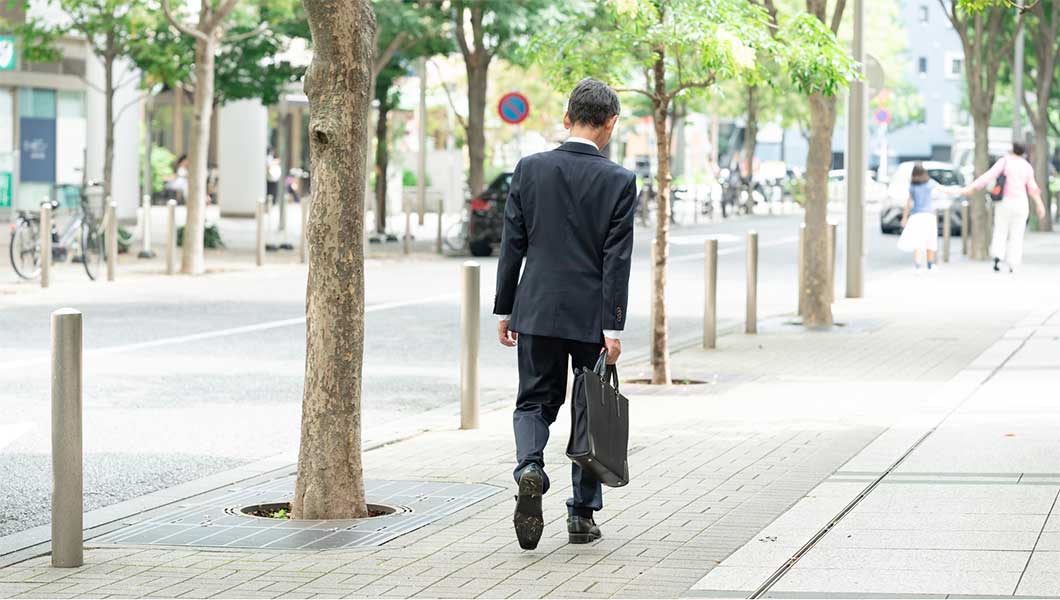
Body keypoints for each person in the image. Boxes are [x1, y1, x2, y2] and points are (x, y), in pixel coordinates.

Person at [494, 78, 636, 551]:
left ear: (566, 117)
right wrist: (613, 326)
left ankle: (530, 466)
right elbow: (617, 259)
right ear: (611, 123)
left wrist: (506, 308)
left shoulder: (530, 168)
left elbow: (512, 243)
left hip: (535, 308)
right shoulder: (619, 180)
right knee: (588, 409)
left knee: (533, 401)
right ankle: (580, 516)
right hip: (590, 317)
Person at [961, 142, 1046, 273]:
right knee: (1017, 234)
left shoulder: (1004, 162)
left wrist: (972, 187)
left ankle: (997, 257)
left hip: (1004, 202)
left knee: (1000, 230)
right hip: (1021, 203)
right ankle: (1013, 263)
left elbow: (988, 176)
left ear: (1012, 149)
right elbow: (1032, 187)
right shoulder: (1026, 166)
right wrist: (1040, 205)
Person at [897, 163, 941, 272]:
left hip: (916, 216)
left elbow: (908, 203)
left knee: (918, 241)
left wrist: (904, 217)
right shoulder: (929, 183)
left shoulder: (913, 186)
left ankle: (917, 265)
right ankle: (930, 265)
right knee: (930, 240)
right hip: (929, 215)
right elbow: (942, 189)